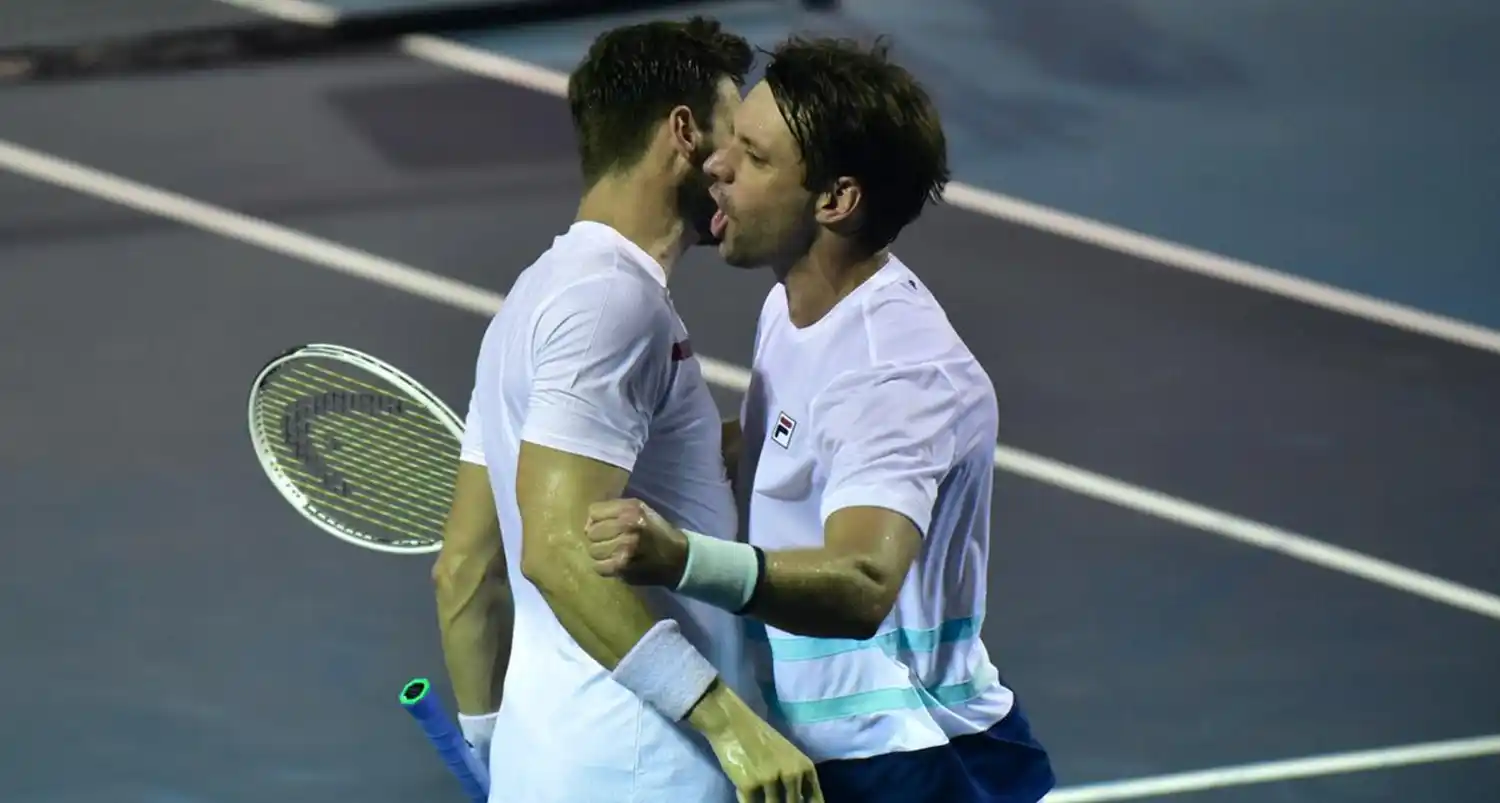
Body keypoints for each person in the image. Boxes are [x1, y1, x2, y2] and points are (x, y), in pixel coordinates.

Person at [583, 36, 1056, 803]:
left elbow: (864, 579)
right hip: (829, 747)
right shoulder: (792, 306)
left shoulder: (895, 371)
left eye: (755, 158)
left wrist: (681, 556)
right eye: (730, 141)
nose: (716, 165)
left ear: (835, 200)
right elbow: (786, 450)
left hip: (910, 757)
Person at [429, 18, 822, 803]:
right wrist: (728, 720)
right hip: (646, 767)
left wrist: (486, 744)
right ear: (683, 132)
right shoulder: (613, 302)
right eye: (733, 140)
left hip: (552, 766)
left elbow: (465, 570)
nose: (738, 169)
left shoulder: (531, 303)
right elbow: (555, 548)